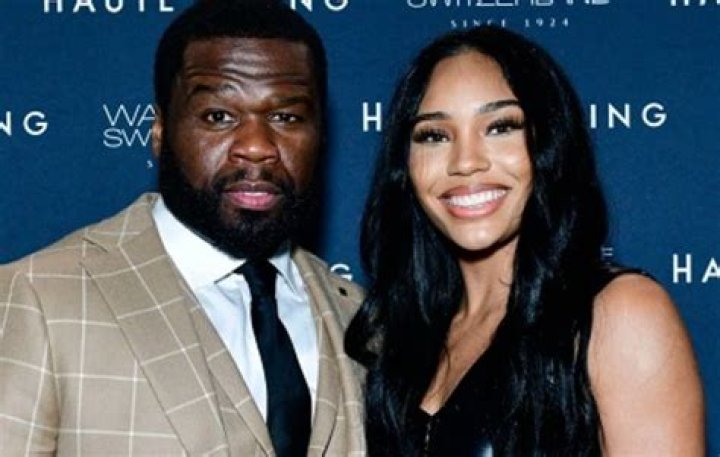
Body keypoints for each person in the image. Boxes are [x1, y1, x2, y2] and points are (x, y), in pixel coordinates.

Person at [0, 1, 365, 455]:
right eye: (218, 116)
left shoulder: (358, 315)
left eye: (286, 117)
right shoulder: (40, 296)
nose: (256, 146)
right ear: (159, 131)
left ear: (321, 135)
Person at [345, 25, 704, 456]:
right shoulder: (403, 333)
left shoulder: (618, 313)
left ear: (548, 143)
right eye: (434, 135)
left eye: (500, 127)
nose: (466, 162)